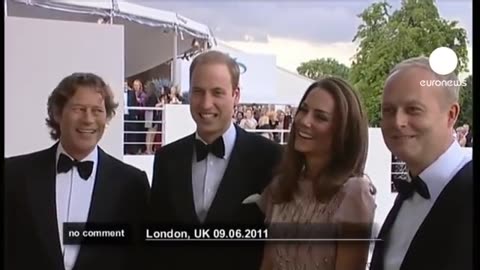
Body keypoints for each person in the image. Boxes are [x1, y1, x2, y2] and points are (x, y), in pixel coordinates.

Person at [148, 50, 283, 270]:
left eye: (217, 92)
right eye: (198, 92)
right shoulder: (167, 159)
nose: (206, 103)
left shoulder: (270, 157)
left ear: (236, 95)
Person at [5, 73, 150, 270]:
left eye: (97, 110)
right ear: (57, 113)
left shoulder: (131, 183)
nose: (88, 119)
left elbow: (140, 257)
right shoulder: (14, 175)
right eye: (79, 109)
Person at [259, 78, 377, 270]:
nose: (305, 121)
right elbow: (268, 264)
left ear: (344, 131)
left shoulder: (354, 193)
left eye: (320, 117)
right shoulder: (281, 186)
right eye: (304, 110)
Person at [370, 57, 472, 270]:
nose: (398, 122)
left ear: (451, 115)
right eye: (388, 110)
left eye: (413, 109)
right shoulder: (409, 193)